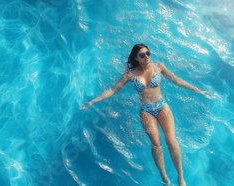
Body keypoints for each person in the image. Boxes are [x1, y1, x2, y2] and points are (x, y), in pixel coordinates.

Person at [80, 44, 210, 186]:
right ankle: (164, 176)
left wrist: (197, 90)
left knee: (171, 141)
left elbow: (177, 80)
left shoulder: (159, 66)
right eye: (142, 55)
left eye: (148, 53)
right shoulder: (130, 75)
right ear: (136, 57)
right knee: (156, 144)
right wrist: (92, 102)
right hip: (146, 110)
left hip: (162, 106)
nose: (146, 56)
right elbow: (113, 90)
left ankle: (180, 176)